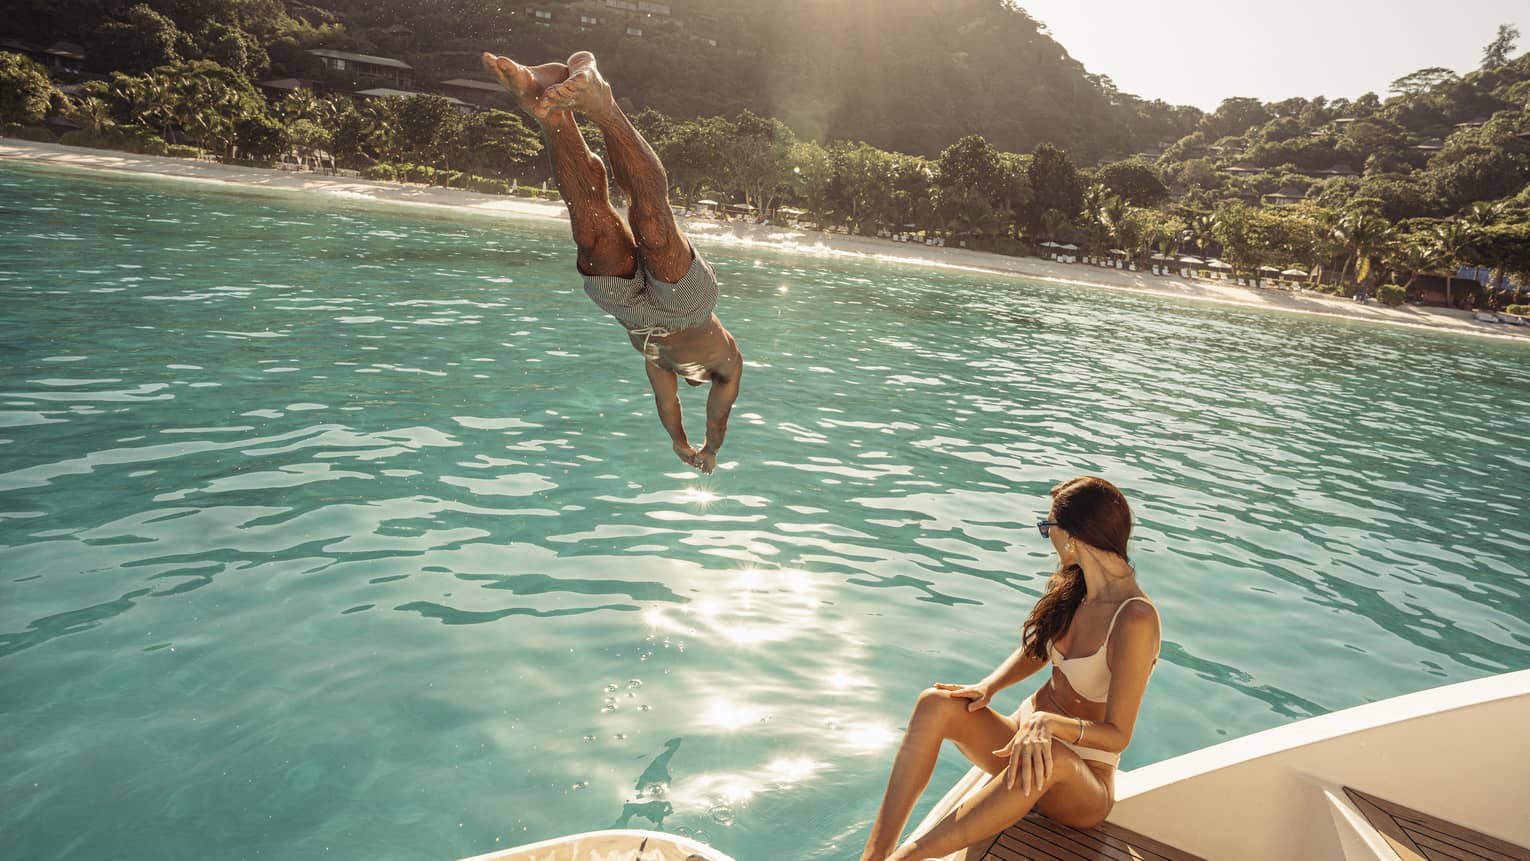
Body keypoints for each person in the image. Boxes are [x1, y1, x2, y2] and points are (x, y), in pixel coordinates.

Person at [860, 477, 1161, 861]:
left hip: (1079, 784)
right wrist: (989, 686)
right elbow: (1040, 651)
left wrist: (1050, 725)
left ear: (1074, 535)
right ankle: (873, 856)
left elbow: (1118, 735)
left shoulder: (1133, 618)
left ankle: (908, 858)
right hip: (1020, 747)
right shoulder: (1078, 589)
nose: (1046, 537)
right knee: (935, 704)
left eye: (1047, 527)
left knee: (1052, 754)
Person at [482, 50, 743, 475]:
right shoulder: (727, 368)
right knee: (654, 226)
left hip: (633, 314)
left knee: (591, 230)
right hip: (688, 306)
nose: (690, 384)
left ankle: (550, 113)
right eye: (695, 384)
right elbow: (718, 418)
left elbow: (666, 403)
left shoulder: (658, 361)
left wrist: (679, 442)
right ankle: (604, 107)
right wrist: (709, 450)